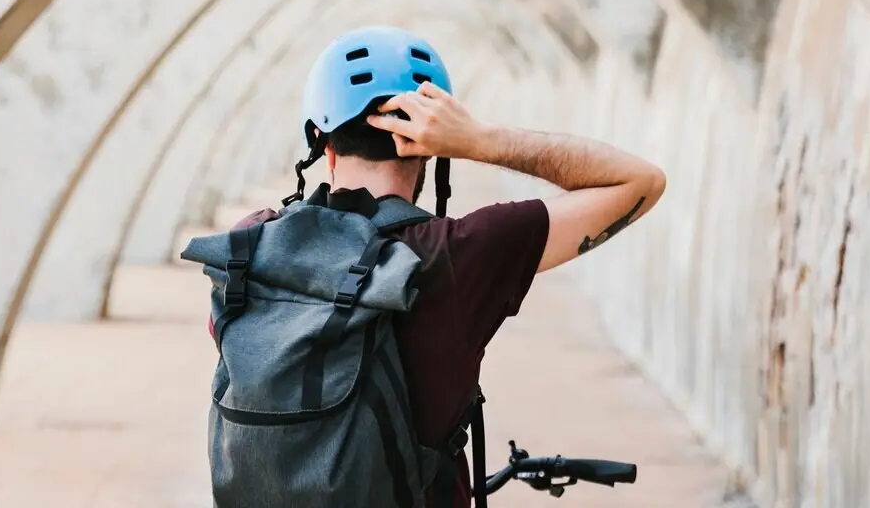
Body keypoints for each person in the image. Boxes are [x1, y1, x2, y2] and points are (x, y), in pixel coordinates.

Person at [206, 25, 666, 507]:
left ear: (321, 142)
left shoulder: (249, 247)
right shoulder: (454, 255)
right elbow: (640, 182)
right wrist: (480, 141)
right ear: (430, 146)